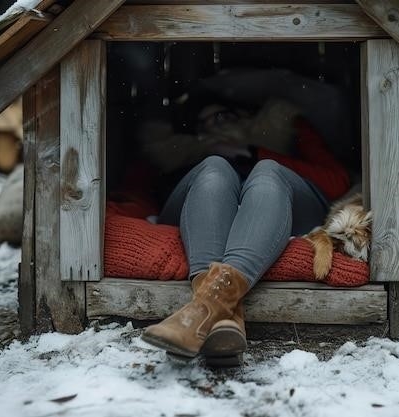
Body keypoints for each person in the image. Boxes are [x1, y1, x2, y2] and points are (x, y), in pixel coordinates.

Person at [140, 99, 350, 365]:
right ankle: (223, 323)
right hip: (202, 205)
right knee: (214, 168)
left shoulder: (282, 136)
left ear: (244, 115)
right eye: (202, 124)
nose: (212, 126)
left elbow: (337, 182)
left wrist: (253, 153)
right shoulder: (185, 156)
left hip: (284, 200)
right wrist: (205, 155)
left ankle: (200, 313)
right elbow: (141, 188)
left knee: (267, 171)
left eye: (221, 116)